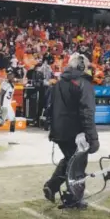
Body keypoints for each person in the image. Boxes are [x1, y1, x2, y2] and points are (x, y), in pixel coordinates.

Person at [43, 53, 99, 209]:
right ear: (81, 66)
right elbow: (87, 113)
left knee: (70, 159)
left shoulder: (58, 83)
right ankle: (74, 197)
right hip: (76, 133)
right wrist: (93, 138)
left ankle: (52, 186)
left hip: (59, 132)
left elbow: (50, 108)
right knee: (79, 164)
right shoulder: (83, 83)